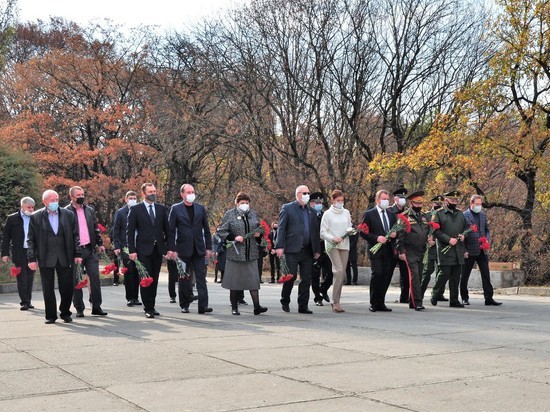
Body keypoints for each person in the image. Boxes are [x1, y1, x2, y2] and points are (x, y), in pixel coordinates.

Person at [27, 190, 82, 323]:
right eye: (51, 200)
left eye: (56, 199)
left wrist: (78, 253)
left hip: (65, 256)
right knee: (48, 288)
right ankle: (51, 315)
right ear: (44, 201)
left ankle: (65, 312)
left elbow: (76, 235)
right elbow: (31, 239)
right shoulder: (36, 217)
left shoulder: (68, 215)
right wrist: (31, 258)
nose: (54, 202)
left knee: (67, 287)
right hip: (46, 257)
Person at [216, 192, 268, 316]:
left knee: (253, 281)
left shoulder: (253, 214)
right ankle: (234, 307)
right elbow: (221, 231)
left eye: (247, 203)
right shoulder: (230, 214)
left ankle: (257, 306)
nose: (245, 205)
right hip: (236, 253)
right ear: (237, 203)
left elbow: (259, 229)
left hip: (251, 253)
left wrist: (258, 235)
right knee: (235, 281)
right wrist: (234, 237)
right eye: (242, 203)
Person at [167, 183, 213, 314]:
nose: (191, 194)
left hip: (199, 249)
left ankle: (203, 306)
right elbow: (170, 231)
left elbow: (207, 230)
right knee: (184, 278)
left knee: (201, 278)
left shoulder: (200, 208)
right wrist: (172, 248)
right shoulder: (176, 209)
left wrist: (208, 247)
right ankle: (184, 304)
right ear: (182, 194)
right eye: (188, 192)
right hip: (182, 249)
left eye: (192, 192)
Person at [275, 185, 321, 314]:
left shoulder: (311, 211)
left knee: (306, 278)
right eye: (304, 193)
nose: (307, 195)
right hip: (292, 249)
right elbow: (281, 228)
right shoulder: (288, 208)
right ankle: (285, 300)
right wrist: (279, 246)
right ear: (298, 194)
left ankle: (303, 305)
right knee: (291, 276)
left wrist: (316, 249)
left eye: (308, 192)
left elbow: (315, 232)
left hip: (307, 250)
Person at [127, 183, 170, 319]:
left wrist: (170, 248)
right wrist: (132, 250)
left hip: (158, 249)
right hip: (142, 250)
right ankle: (148, 307)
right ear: (144, 194)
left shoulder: (161, 209)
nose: (154, 193)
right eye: (150, 191)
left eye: (155, 191)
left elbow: (167, 230)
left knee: (155, 278)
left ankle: (152, 305)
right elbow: (130, 232)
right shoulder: (136, 209)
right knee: (146, 278)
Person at [66, 186, 108, 317]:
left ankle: (96, 306)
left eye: (83, 194)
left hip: (90, 249)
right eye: (78, 195)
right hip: (75, 252)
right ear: (72, 197)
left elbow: (95, 228)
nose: (81, 197)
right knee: (77, 280)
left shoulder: (89, 210)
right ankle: (79, 308)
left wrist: (100, 243)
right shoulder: (66, 211)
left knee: (95, 278)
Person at [359, 189, 397, 312]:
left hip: (388, 249)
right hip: (375, 249)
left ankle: (381, 302)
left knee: (386, 275)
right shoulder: (369, 214)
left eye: (387, 199)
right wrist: (376, 238)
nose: (386, 201)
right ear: (377, 200)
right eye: (383, 199)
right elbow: (363, 232)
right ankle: (373, 302)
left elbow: (395, 230)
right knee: (378, 273)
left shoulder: (391, 214)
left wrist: (394, 234)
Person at [461, 195, 502, 306]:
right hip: (469, 249)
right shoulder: (464, 216)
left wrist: (487, 240)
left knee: (486, 274)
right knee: (465, 274)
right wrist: (464, 250)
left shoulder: (483, 215)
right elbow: (461, 235)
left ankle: (489, 298)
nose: (479, 206)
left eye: (480, 204)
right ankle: (464, 297)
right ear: (472, 204)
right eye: (477, 204)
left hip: (482, 250)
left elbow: (486, 230)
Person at [431, 190, 468, 308]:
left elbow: (465, 228)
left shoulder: (460, 214)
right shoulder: (439, 214)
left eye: (456, 200)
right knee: (444, 274)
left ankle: (454, 300)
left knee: (456, 276)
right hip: (444, 249)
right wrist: (448, 239)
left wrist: (463, 235)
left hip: (458, 249)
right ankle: (435, 294)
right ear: (446, 200)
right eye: (452, 200)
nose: (454, 202)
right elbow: (435, 231)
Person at [1, 197, 36, 311]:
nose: (31, 210)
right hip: (19, 251)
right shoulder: (12, 218)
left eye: (32, 207)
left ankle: (29, 300)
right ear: (22, 206)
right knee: (21, 277)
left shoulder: (35, 217)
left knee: (30, 277)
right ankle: (24, 302)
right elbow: (6, 237)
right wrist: (4, 253)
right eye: (28, 207)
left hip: (32, 252)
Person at [396, 191, 429, 311]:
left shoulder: (425, 216)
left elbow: (427, 230)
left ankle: (412, 300)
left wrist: (430, 239)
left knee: (419, 276)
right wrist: (401, 251)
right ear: (411, 203)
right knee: (414, 275)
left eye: (421, 203)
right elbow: (400, 235)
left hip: (421, 250)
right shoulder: (404, 216)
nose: (419, 205)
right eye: (417, 203)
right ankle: (417, 302)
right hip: (410, 251)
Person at [320, 189, 352, 312]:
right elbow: (322, 233)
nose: (340, 202)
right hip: (332, 246)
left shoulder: (346, 212)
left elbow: (349, 225)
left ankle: (337, 300)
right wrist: (333, 238)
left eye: (342, 200)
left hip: (344, 245)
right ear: (332, 200)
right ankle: (335, 301)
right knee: (338, 270)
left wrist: (350, 231)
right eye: (338, 200)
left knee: (342, 273)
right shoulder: (327, 214)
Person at [112, 190, 141, 307]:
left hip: (138, 246)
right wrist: (117, 246)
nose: (133, 200)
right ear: (126, 199)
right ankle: (130, 297)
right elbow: (116, 230)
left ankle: (136, 296)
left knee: (137, 272)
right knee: (129, 272)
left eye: (135, 198)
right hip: (125, 247)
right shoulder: (121, 212)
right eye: (131, 198)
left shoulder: (139, 211)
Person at [420, 195, 448, 301]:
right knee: (427, 271)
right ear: (432, 204)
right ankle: (420, 294)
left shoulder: (444, 215)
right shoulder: (426, 215)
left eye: (440, 204)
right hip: (430, 247)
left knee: (441, 271)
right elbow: (422, 230)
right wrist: (427, 239)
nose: (438, 206)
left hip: (441, 246)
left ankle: (438, 293)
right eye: (436, 203)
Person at [309, 192, 332, 306]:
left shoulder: (325, 215)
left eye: (320, 202)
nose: (319, 204)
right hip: (314, 248)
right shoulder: (308, 215)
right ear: (311, 203)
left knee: (332, 272)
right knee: (315, 275)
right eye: (316, 202)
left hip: (326, 248)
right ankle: (317, 297)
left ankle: (324, 288)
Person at [389, 188, 410, 303]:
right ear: (395, 199)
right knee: (388, 273)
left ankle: (404, 296)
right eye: (400, 197)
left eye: (404, 198)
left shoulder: (407, 213)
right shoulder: (389, 211)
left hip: (403, 246)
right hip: (391, 246)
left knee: (405, 274)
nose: (403, 200)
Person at [345, 219, 359, 285]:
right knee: (347, 266)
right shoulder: (345, 228)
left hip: (352, 250)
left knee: (354, 266)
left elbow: (355, 240)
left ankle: (355, 280)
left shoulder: (354, 229)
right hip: (345, 249)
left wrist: (349, 247)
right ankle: (348, 280)